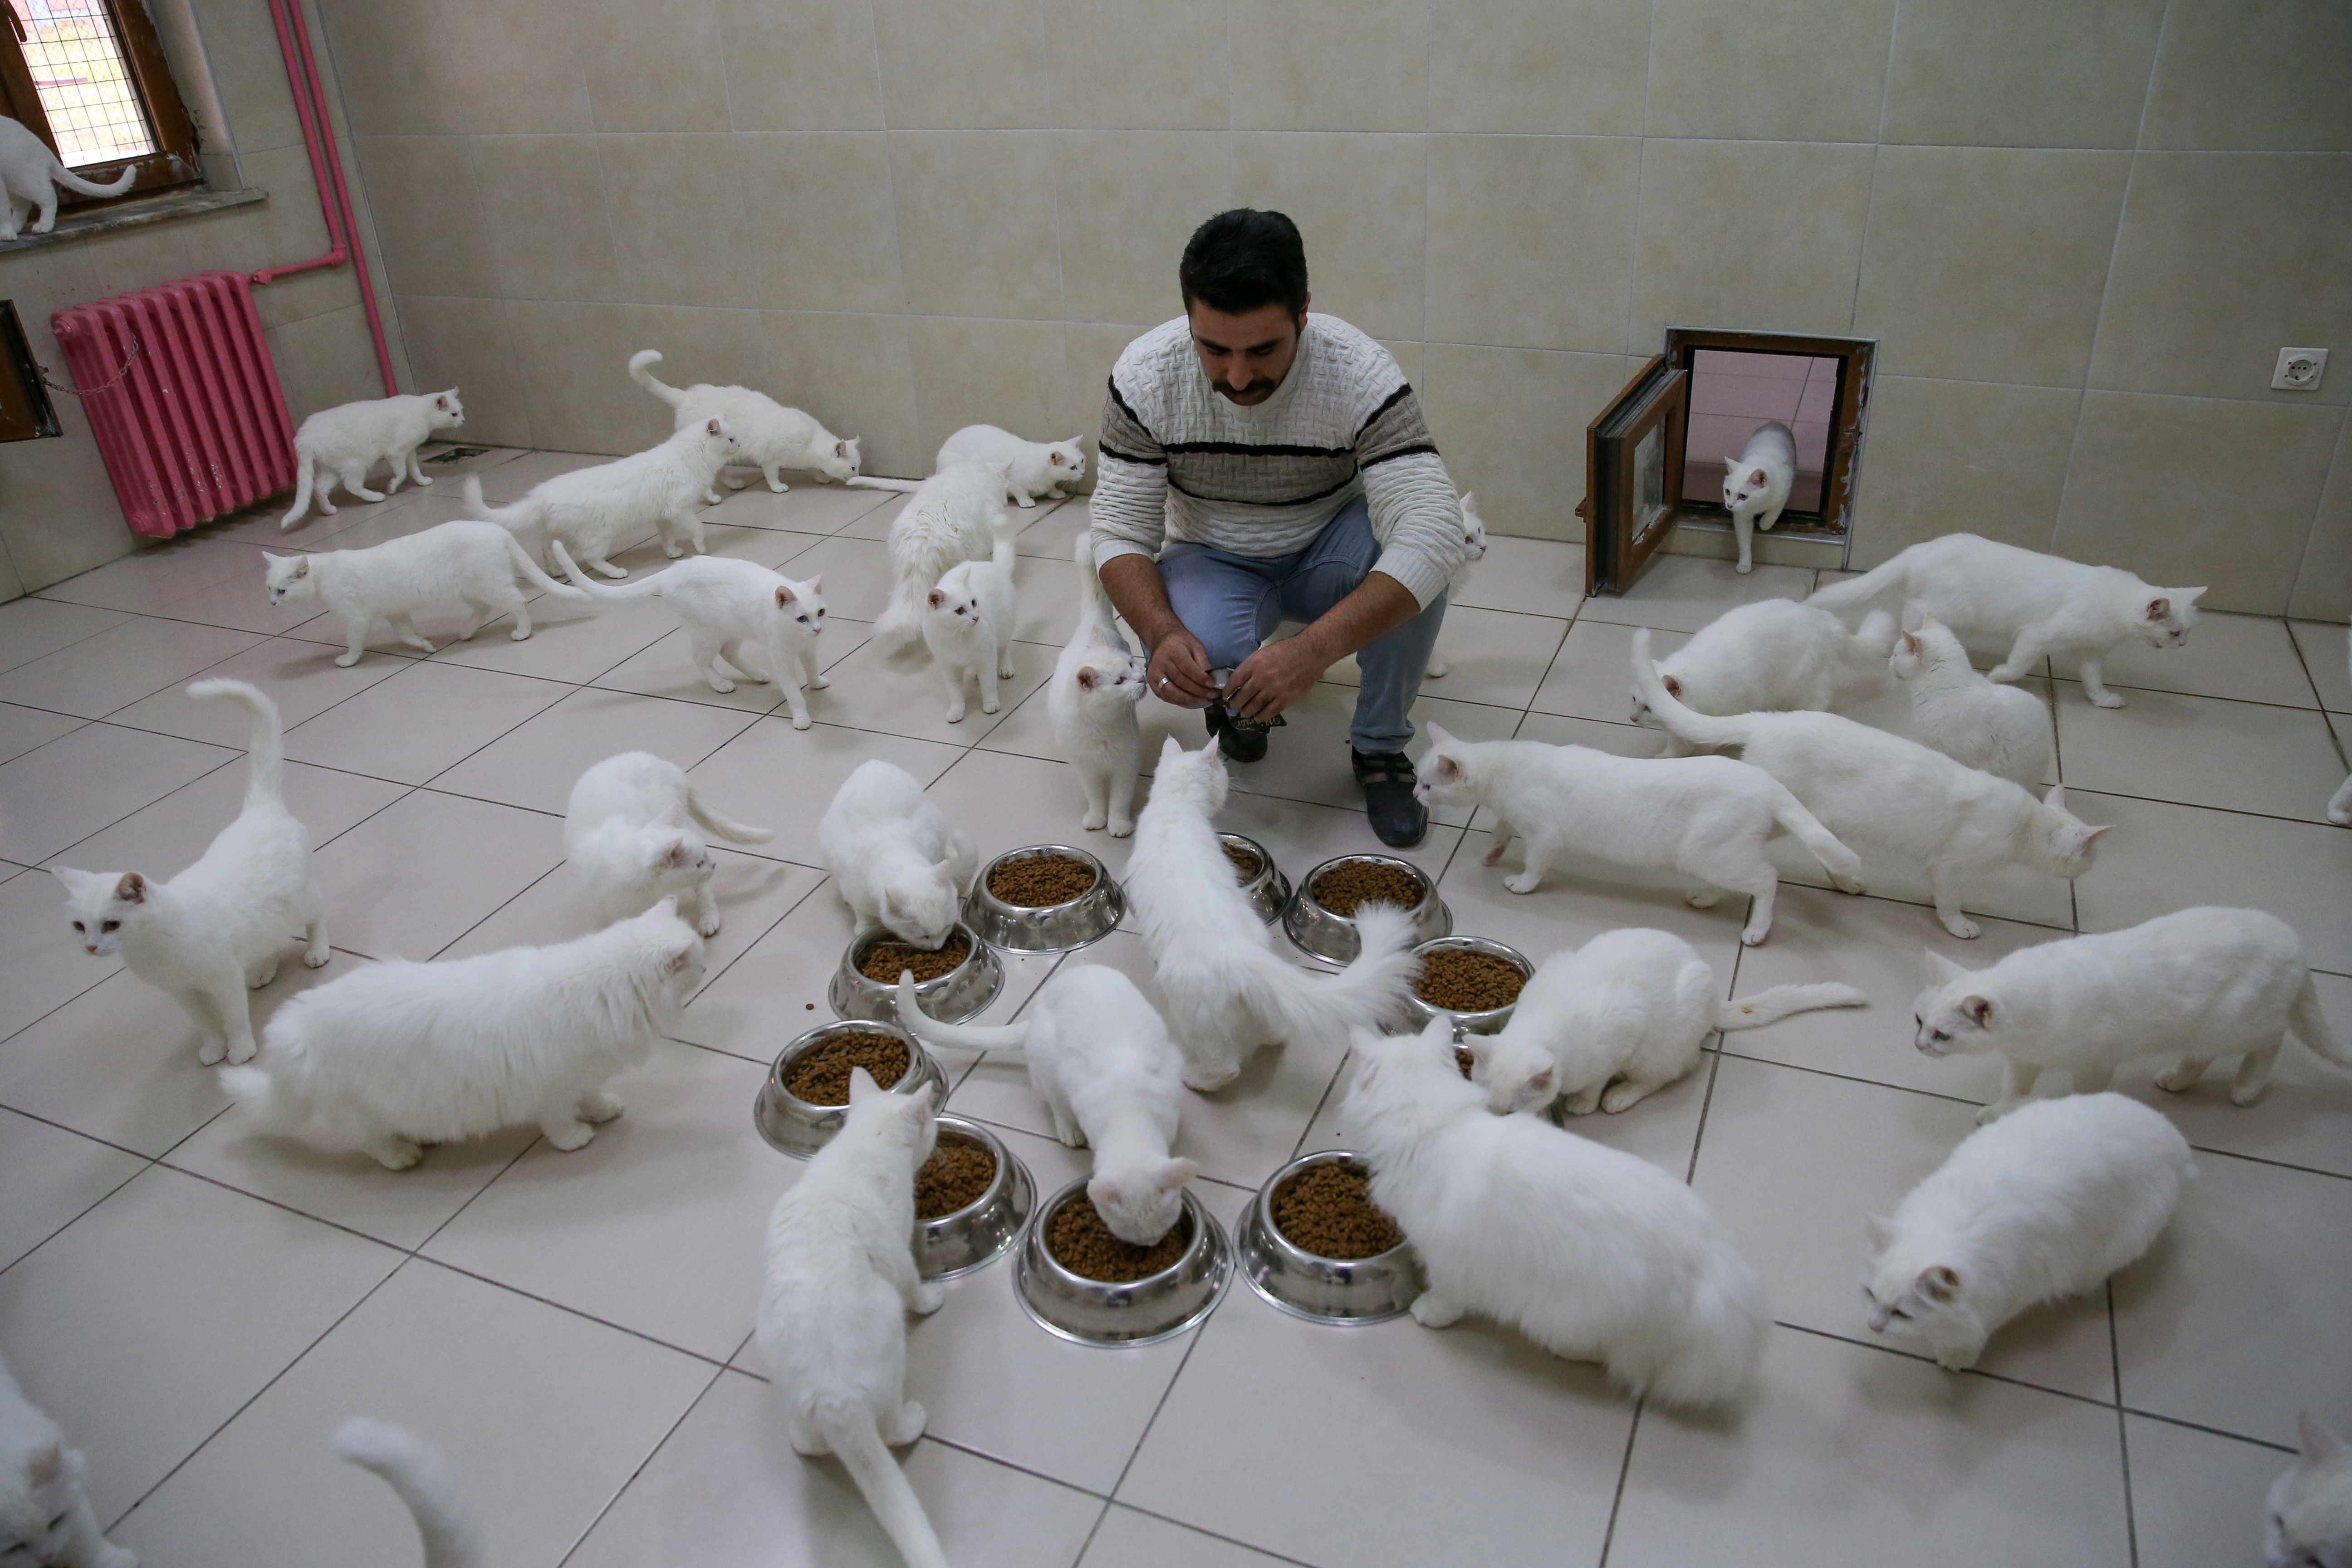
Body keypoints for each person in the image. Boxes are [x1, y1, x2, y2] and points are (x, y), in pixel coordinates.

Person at [1088, 209, 1467, 848]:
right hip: (1213, 552)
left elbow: (1434, 531)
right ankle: (1241, 709)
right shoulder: (1145, 376)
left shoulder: (1359, 372)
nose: (1238, 378)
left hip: (1332, 546)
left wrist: (1313, 652)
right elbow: (1119, 530)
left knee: (1413, 572)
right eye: (1215, 349)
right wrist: (1160, 633)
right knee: (1195, 633)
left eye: (1263, 350)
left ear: (1303, 314)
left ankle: (1378, 747)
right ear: (1189, 320)